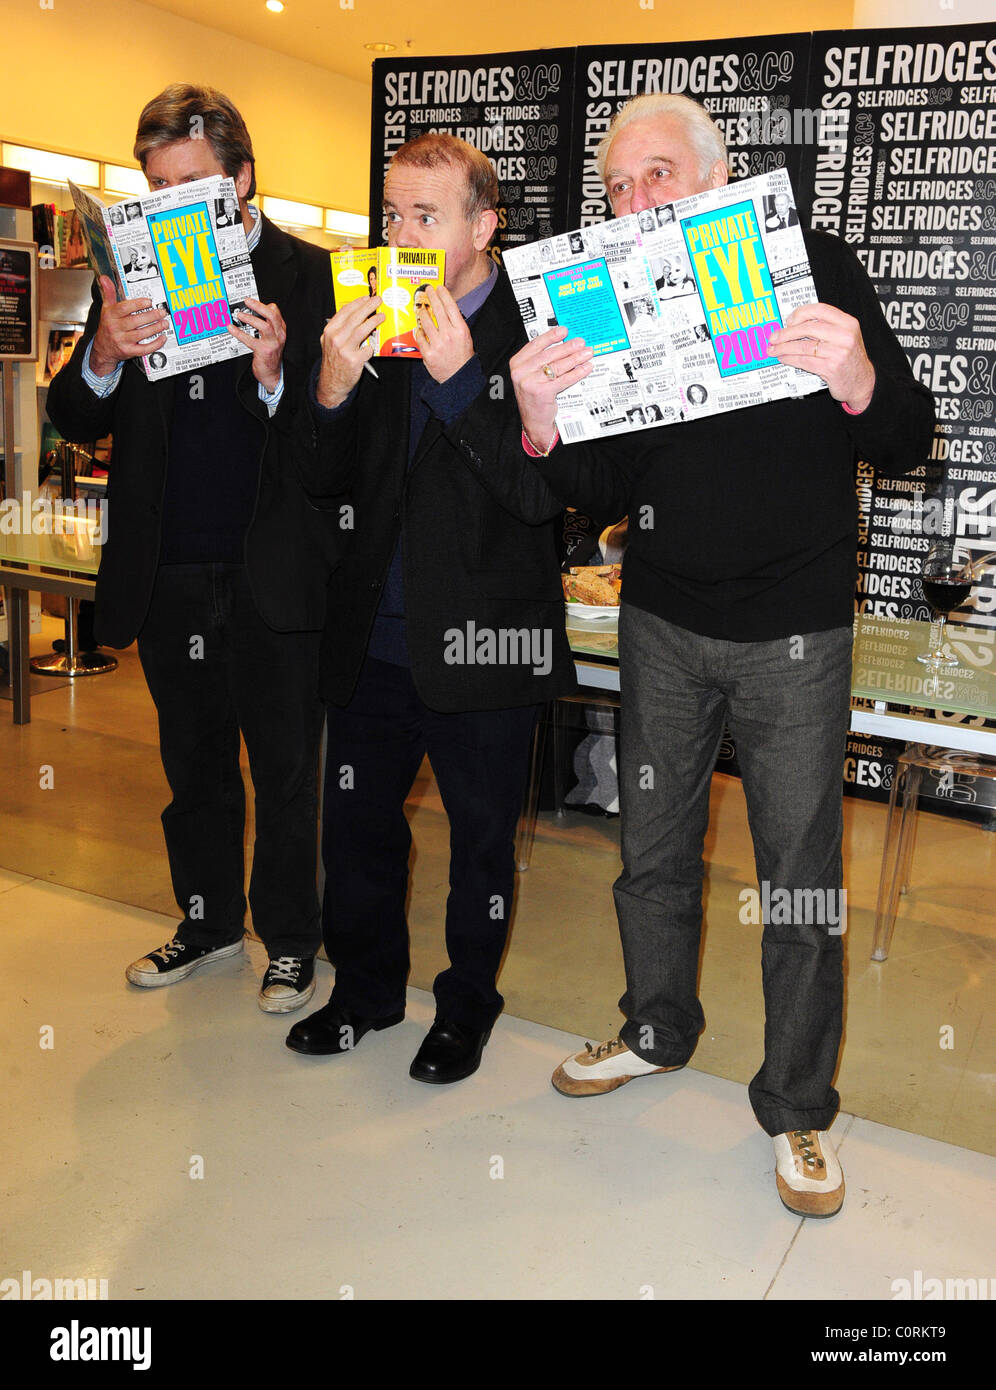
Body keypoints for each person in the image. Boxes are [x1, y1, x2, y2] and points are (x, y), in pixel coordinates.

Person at [500, 93, 935, 1217]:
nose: (636, 201)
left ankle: (797, 1105)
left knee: (799, 880)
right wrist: (543, 419)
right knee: (651, 849)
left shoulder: (812, 261)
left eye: (657, 176)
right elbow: (603, 485)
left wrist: (860, 381)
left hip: (796, 632)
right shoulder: (613, 310)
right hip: (662, 622)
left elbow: (908, 438)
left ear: (720, 176)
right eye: (618, 187)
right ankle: (653, 1027)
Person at [287, 132, 576, 1083]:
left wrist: (460, 387)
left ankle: (465, 1011)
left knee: (481, 845)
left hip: (487, 641)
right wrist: (327, 389)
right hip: (372, 633)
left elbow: (546, 498)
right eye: (392, 214)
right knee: (359, 831)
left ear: (485, 225)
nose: (401, 233)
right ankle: (363, 993)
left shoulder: (543, 326)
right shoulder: (374, 314)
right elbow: (320, 481)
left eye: (426, 215)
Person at [47, 84, 339, 1015]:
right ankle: (208, 924)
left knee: (288, 767)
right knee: (194, 765)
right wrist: (103, 348)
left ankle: (291, 941)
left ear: (242, 180)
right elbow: (72, 415)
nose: (170, 202)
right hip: (170, 565)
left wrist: (276, 376)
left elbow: (343, 442)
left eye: (192, 183)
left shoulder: (309, 274)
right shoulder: (127, 280)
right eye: (155, 184)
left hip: (274, 569)